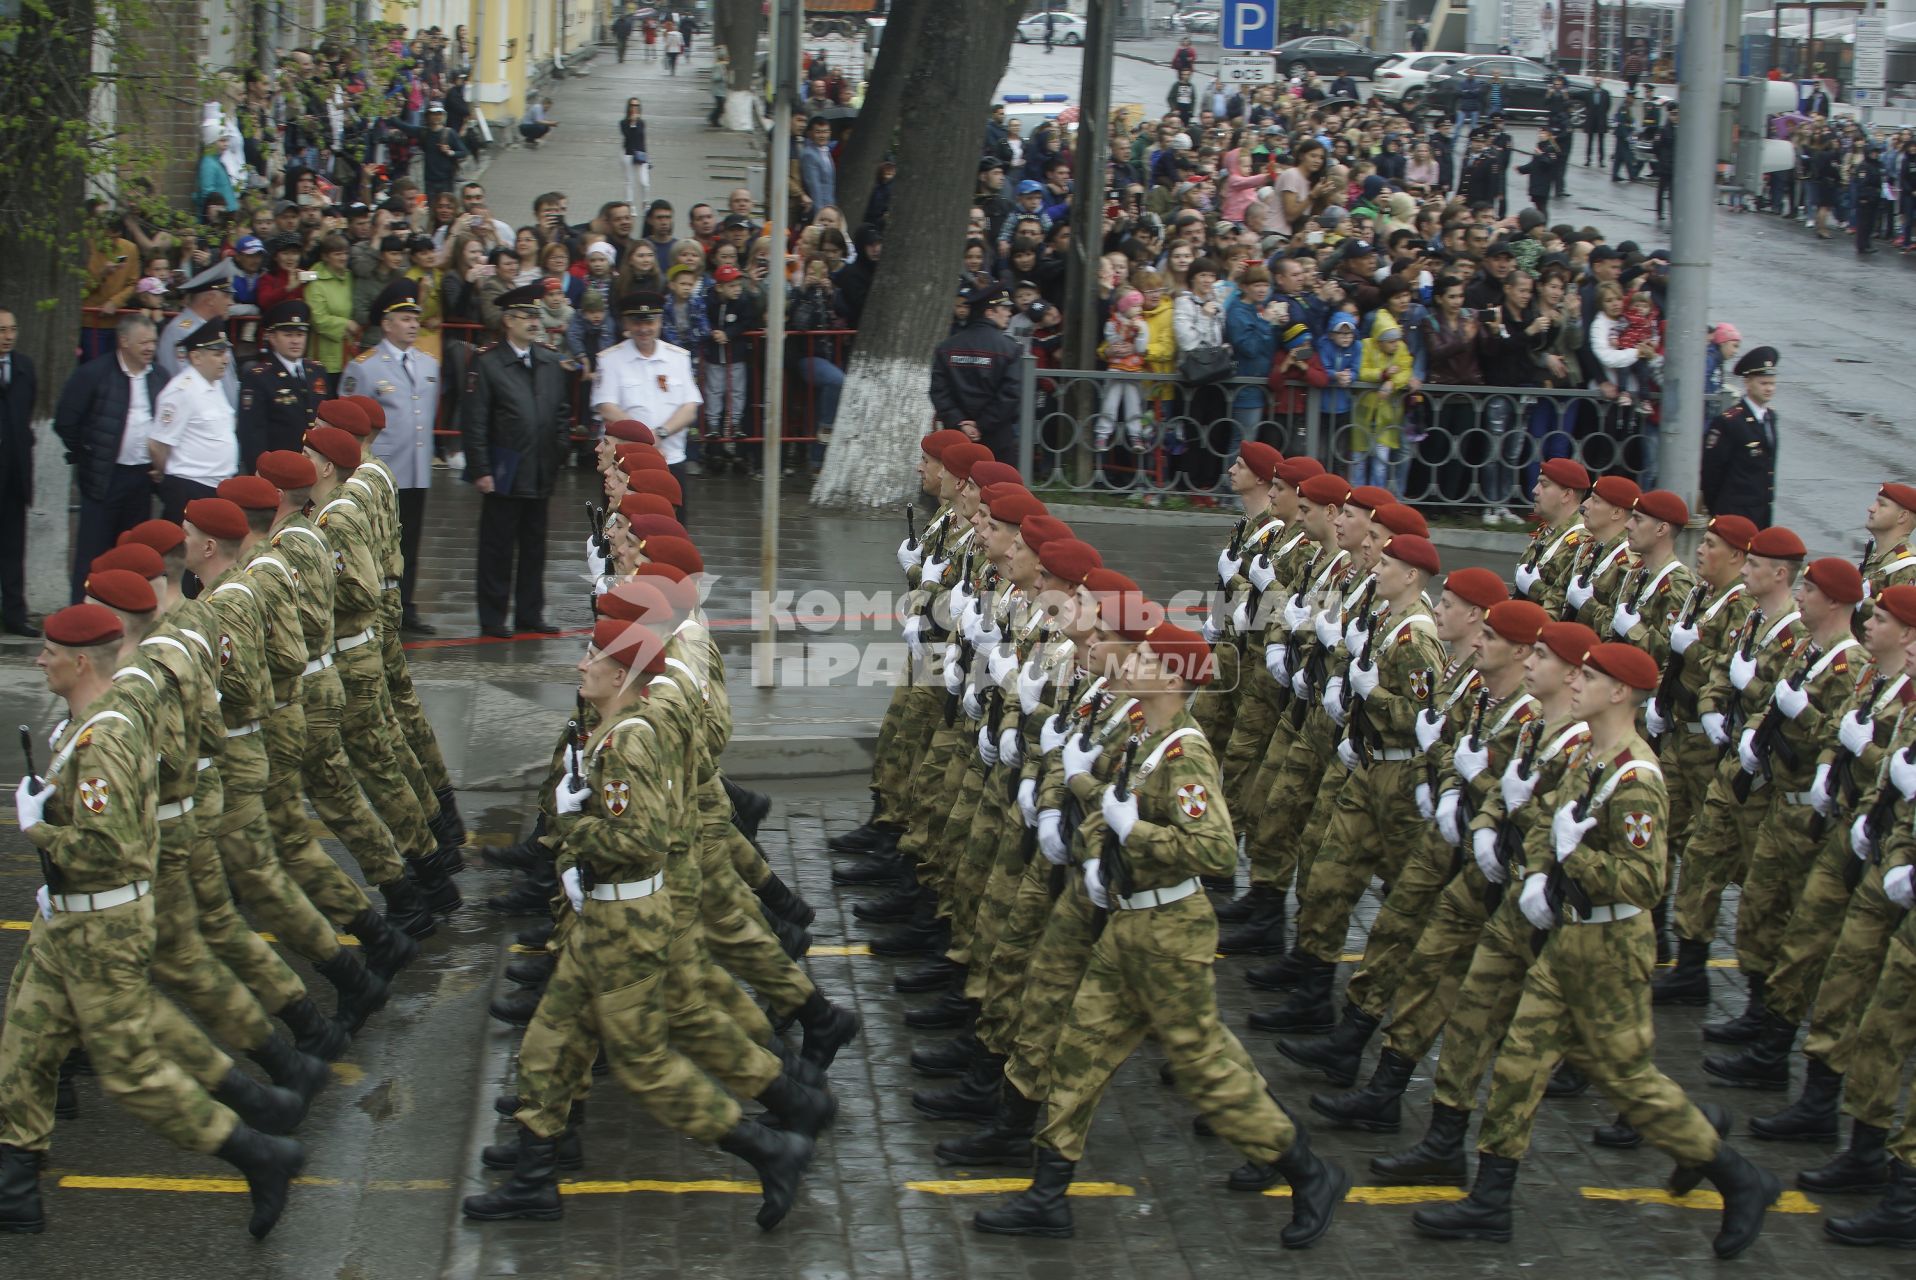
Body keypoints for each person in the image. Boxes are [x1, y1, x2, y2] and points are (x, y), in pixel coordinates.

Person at [1410, 640, 1783, 1262]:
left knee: (1628, 1081)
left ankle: (1739, 1178)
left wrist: (1573, 854)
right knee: (1518, 1064)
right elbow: (1545, 824)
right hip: (1568, 935)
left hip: (1611, 945)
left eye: (1590, 676)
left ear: (1620, 693)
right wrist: (1536, 874)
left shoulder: (1636, 779)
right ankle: (1491, 1201)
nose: (1574, 683)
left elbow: (1644, 883)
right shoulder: (1589, 756)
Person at [0, 603, 305, 1240]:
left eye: (49, 651)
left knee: (132, 1072)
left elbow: (112, 850)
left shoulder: (105, 739)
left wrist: (40, 831)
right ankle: (16, 1185)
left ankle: (256, 1152)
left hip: (103, 926)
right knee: (25, 1041)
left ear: (81, 661)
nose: (40, 659)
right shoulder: (90, 723)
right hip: (69, 922)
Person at [461, 285, 571, 639]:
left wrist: (558, 451)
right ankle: (492, 617)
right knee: (497, 546)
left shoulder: (550, 360)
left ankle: (530, 613)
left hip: (540, 466)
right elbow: (475, 420)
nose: (534, 323)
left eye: (537, 316)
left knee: (535, 546)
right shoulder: (489, 362)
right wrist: (480, 468)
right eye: (527, 317)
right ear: (508, 321)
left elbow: (561, 414)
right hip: (505, 466)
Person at [340, 279, 441, 632]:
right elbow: (349, 424)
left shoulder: (429, 365)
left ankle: (405, 606)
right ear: (386, 324)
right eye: (404, 318)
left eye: (415, 318)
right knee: (375, 542)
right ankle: (372, 605)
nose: (413, 324)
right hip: (380, 473)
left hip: (414, 471)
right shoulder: (365, 367)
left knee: (409, 541)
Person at [591, 291, 702, 512]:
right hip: (624, 466)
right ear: (626, 323)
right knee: (618, 536)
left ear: (660, 321)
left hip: (669, 461)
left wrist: (659, 433)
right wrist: (645, 437)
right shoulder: (610, 359)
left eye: (650, 321)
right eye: (636, 322)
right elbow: (606, 408)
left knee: (669, 536)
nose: (643, 329)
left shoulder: (678, 357)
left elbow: (690, 408)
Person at [150, 321, 239, 521]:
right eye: (217, 354)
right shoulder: (181, 391)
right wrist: (170, 476)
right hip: (190, 487)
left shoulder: (215, 384)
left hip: (218, 486)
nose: (225, 360)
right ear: (196, 357)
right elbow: (157, 444)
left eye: (225, 353)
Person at [929, 282, 1022, 463]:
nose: (1010, 313)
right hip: (997, 438)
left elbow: (939, 391)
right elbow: (1010, 395)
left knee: (956, 485)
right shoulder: (1009, 349)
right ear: (989, 312)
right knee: (996, 488)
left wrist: (959, 422)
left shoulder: (946, 347)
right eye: (1004, 308)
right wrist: (982, 424)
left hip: (956, 435)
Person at [236, 301, 327, 472]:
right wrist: (259, 473)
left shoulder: (317, 371)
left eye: (300, 335)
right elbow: (252, 434)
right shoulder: (259, 377)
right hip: (280, 469)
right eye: (288, 335)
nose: (295, 341)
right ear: (272, 337)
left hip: (315, 467)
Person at [1700, 346, 1779, 526]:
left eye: (1772, 383)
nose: (1769, 389)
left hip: (1761, 512)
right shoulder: (1730, 421)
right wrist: (1717, 512)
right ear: (1748, 383)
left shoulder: (1770, 418)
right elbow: (1711, 472)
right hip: (1734, 512)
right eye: (1763, 383)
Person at [0, 307, 37, 635]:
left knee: (13, 549)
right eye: (2, 330)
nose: (8, 337)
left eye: (12, 329)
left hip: (14, 476)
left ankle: (14, 614)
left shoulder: (24, 368)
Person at [157, 268, 237, 403]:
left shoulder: (212, 329)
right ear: (210, 299)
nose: (231, 302)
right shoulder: (180, 331)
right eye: (226, 296)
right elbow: (181, 382)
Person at [620, 98, 650, 209]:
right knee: (629, 181)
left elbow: (642, 140)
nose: (634, 107)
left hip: (640, 154)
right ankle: (630, 205)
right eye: (632, 105)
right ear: (628, 107)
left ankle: (646, 202)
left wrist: (647, 157)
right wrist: (632, 123)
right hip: (628, 154)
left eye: (637, 105)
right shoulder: (623, 123)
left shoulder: (642, 123)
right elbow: (628, 137)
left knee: (644, 182)